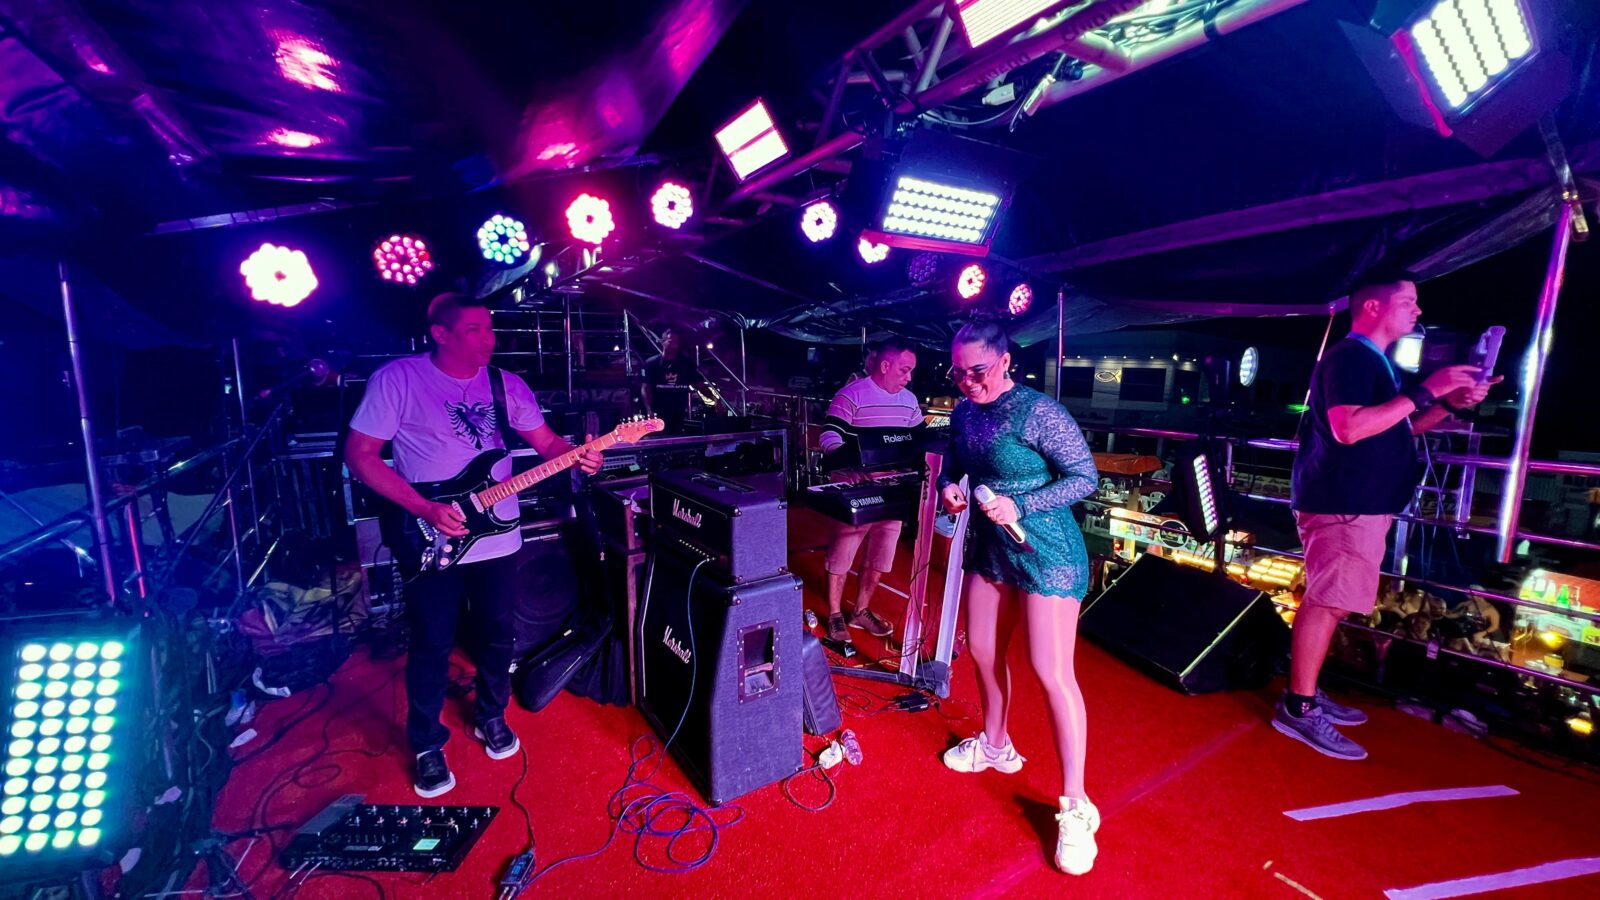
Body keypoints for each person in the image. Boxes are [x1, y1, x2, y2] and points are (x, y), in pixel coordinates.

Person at [345, 292, 603, 798]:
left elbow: (548, 444)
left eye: (490, 328)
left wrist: (579, 454)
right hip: (431, 532)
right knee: (432, 640)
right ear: (440, 334)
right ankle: (426, 743)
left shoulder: (507, 384)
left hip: (499, 535)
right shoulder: (399, 379)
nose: (489, 338)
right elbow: (360, 455)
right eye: (474, 330)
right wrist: (423, 508)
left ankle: (491, 714)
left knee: (499, 634)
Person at [1278, 276, 1498, 761]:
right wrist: (1427, 390)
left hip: (1357, 502)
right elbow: (1348, 428)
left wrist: (1447, 403)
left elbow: (1400, 426)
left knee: (1332, 601)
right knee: (1328, 602)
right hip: (1344, 502)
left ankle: (1305, 691)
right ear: (1373, 307)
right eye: (1408, 301)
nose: (1417, 311)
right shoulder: (1351, 358)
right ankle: (1299, 705)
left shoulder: (1375, 362)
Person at [936, 321, 1102, 876]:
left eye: (978, 371)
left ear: (1005, 361)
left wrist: (1021, 505)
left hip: (1048, 549)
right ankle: (996, 745)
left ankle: (1077, 805)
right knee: (983, 650)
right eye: (958, 372)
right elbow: (959, 459)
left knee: (1050, 670)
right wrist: (951, 486)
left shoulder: (1039, 413)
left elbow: (1084, 478)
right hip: (994, 548)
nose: (967, 382)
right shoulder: (964, 411)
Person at [817, 338, 923, 644]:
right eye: (904, 370)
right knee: (842, 553)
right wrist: (849, 465)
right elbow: (829, 435)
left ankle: (861, 611)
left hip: (892, 491)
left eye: (911, 371)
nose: (909, 377)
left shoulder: (909, 401)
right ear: (885, 366)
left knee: (881, 555)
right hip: (857, 489)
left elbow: (919, 441)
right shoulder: (851, 394)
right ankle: (835, 614)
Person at [641, 326, 703, 434]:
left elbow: (699, 384)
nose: (674, 345)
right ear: (663, 342)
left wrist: (715, 400)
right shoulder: (651, 363)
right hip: (658, 411)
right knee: (658, 438)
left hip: (679, 411)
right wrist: (649, 410)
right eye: (671, 341)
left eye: (677, 342)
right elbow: (646, 388)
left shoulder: (687, 364)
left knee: (677, 436)